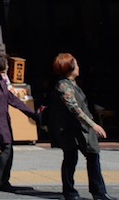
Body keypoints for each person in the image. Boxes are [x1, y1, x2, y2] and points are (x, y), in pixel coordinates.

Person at [49, 53, 115, 200]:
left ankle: (98, 192)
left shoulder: (72, 83)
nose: (78, 67)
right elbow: (74, 108)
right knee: (71, 158)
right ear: (70, 67)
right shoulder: (64, 85)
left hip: (80, 128)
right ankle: (70, 191)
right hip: (70, 128)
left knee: (92, 155)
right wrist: (94, 125)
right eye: (76, 64)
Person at [0, 52, 37, 192]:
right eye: (6, 63)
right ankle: (0, 181)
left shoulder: (2, 81)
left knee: (4, 150)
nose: (8, 66)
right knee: (6, 148)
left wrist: (31, 113)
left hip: (3, 119)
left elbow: (12, 99)